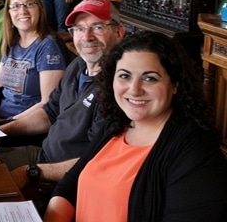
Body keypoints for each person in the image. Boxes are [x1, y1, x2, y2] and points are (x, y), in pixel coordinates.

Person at [44, 32, 227, 221]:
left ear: (175, 85)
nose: (134, 90)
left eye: (150, 78)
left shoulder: (197, 155)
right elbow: (70, 184)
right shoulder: (114, 125)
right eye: (124, 76)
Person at [0, 0, 125, 187]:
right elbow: (49, 113)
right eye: (80, 29)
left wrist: (33, 172)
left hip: (63, 179)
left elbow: (98, 160)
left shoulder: (118, 87)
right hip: (43, 155)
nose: (87, 37)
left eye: (98, 27)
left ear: (119, 32)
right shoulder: (78, 65)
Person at [0, 0, 68, 120]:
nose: (22, 11)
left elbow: (47, 103)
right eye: (15, 6)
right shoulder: (12, 42)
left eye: (29, 4)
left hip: (23, 128)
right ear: (9, 13)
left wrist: (6, 123)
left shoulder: (48, 46)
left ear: (40, 9)